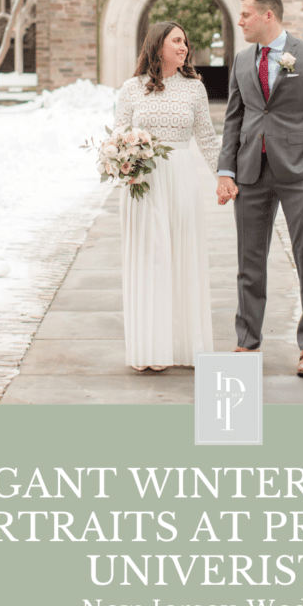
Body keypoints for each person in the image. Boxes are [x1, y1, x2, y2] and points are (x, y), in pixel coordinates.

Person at [216, 0, 303, 377]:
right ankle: (247, 341)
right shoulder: (241, 60)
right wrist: (226, 169)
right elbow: (234, 119)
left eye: (246, 14)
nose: (240, 21)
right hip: (252, 171)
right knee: (249, 261)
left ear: (268, 16)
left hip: (299, 172)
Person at [113, 21, 221, 371]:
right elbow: (118, 136)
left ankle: (183, 346)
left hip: (182, 180)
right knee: (150, 260)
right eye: (177, 41)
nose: (184, 47)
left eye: (185, 42)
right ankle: (150, 350)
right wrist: (123, 160)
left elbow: (206, 138)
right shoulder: (131, 89)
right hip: (143, 184)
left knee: (182, 257)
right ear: (158, 45)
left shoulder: (194, 89)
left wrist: (225, 177)